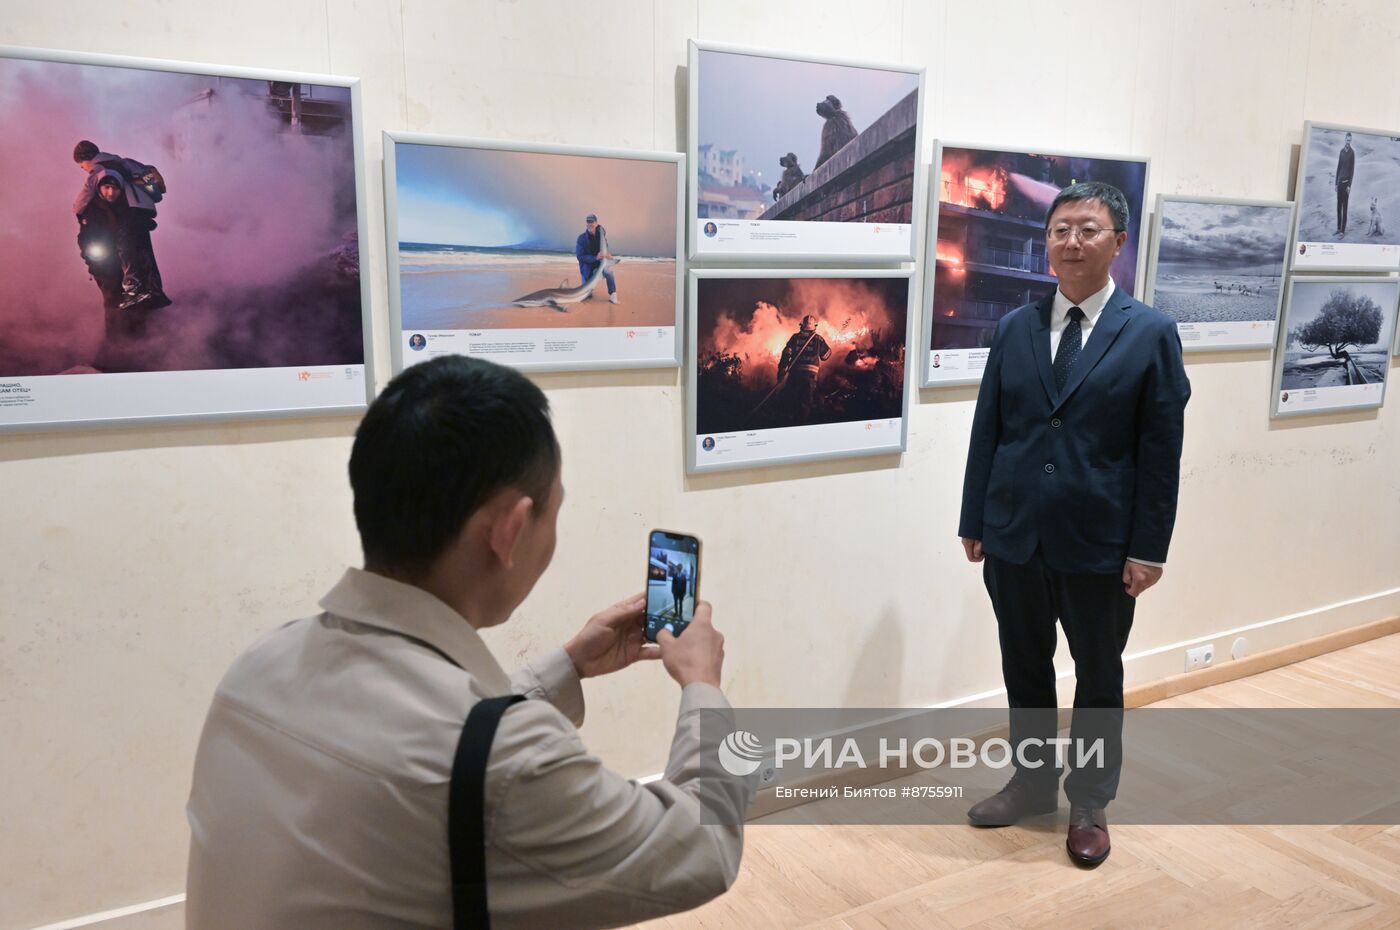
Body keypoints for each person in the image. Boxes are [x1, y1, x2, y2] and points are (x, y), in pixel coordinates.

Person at [186, 355, 753, 929]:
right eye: (554, 510)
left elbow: (434, 739)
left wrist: (567, 667)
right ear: (510, 530)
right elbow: (701, 850)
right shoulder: (512, 760)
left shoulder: (259, 666)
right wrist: (702, 686)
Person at [957, 181, 1190, 868]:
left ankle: (1089, 801)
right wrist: (975, 518)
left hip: (1101, 544)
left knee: (1097, 675)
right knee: (1023, 668)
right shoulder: (1015, 328)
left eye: (1088, 229)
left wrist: (1150, 549)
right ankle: (1031, 785)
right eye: (1060, 229)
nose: (1071, 241)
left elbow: (1161, 453)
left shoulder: (1149, 333)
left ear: (1118, 242)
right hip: (1015, 537)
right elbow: (988, 431)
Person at [72, 140, 170, 311]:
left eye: (82, 166)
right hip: (145, 206)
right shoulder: (124, 162)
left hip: (132, 208)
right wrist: (150, 193)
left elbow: (91, 192)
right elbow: (152, 185)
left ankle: (133, 289)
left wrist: (78, 209)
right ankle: (154, 290)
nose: (84, 170)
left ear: (86, 159)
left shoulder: (101, 169)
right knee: (143, 250)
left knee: (124, 245)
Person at [777, 315, 832, 423]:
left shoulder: (795, 338)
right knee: (805, 402)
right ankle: (801, 424)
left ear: (801, 326)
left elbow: (786, 354)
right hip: (810, 377)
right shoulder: (818, 339)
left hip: (795, 374)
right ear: (814, 326)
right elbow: (826, 355)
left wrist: (782, 370)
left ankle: (788, 422)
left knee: (791, 398)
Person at [575, 213, 618, 304]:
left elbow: (605, 250)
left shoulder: (602, 237)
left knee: (608, 273)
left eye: (592, 222)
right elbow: (580, 257)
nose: (590, 224)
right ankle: (589, 290)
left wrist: (608, 255)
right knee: (587, 295)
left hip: (600, 264)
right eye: (588, 222)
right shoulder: (581, 238)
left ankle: (613, 294)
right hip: (588, 266)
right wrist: (595, 257)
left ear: (596, 223)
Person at [1336, 131, 1355, 236]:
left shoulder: (1352, 153)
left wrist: (1349, 186)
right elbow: (1338, 167)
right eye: (1347, 139)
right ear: (1344, 139)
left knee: (1345, 208)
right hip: (1339, 183)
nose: (1348, 141)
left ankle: (1342, 231)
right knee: (1338, 207)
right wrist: (1335, 183)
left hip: (1346, 184)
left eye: (1349, 140)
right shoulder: (1341, 151)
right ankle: (1338, 228)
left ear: (1350, 140)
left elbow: (1352, 171)